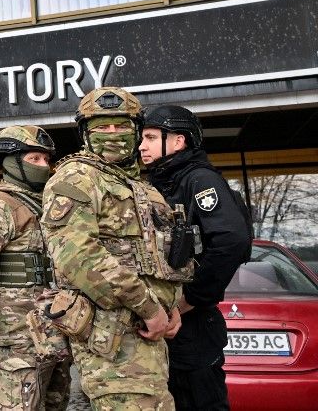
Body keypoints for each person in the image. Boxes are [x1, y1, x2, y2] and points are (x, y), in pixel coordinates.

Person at [41, 87, 192, 411]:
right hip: (111, 337)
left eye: (121, 126)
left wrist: (171, 304)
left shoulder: (142, 189)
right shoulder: (77, 178)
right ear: (85, 133)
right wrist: (150, 308)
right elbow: (77, 255)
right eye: (102, 127)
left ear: (136, 129)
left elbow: (155, 258)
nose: (112, 134)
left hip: (148, 337)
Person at [140, 105, 252, 411]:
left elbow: (232, 240)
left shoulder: (199, 180)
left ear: (178, 141)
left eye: (150, 137)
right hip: (163, 334)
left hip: (192, 333)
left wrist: (186, 302)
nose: (141, 145)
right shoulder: (156, 184)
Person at [0, 125, 72, 411]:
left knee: (57, 404)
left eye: (46, 159)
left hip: (54, 333)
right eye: (34, 159)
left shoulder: (45, 205)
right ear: (10, 161)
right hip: (16, 338)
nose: (44, 166)